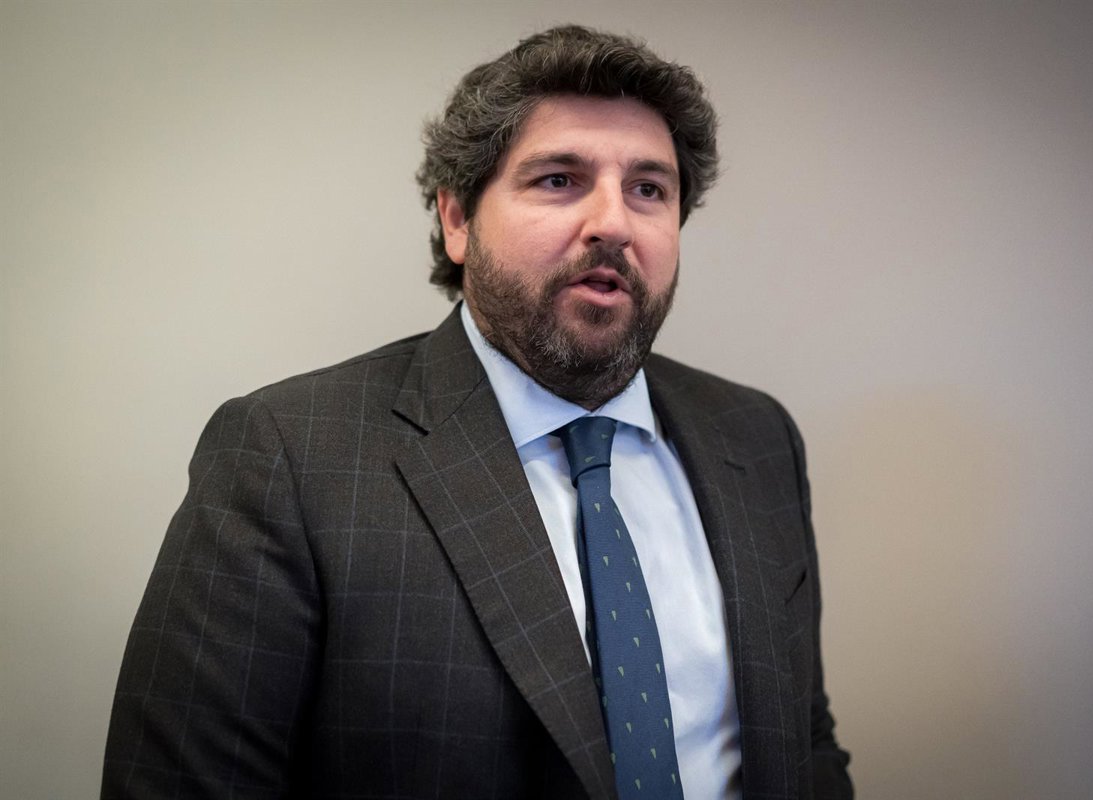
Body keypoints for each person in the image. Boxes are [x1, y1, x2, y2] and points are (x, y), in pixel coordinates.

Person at [101, 25, 853, 800]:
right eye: (559, 179)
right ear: (458, 219)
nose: (614, 222)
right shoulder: (288, 459)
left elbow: (802, 741)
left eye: (649, 189)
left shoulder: (756, 437)